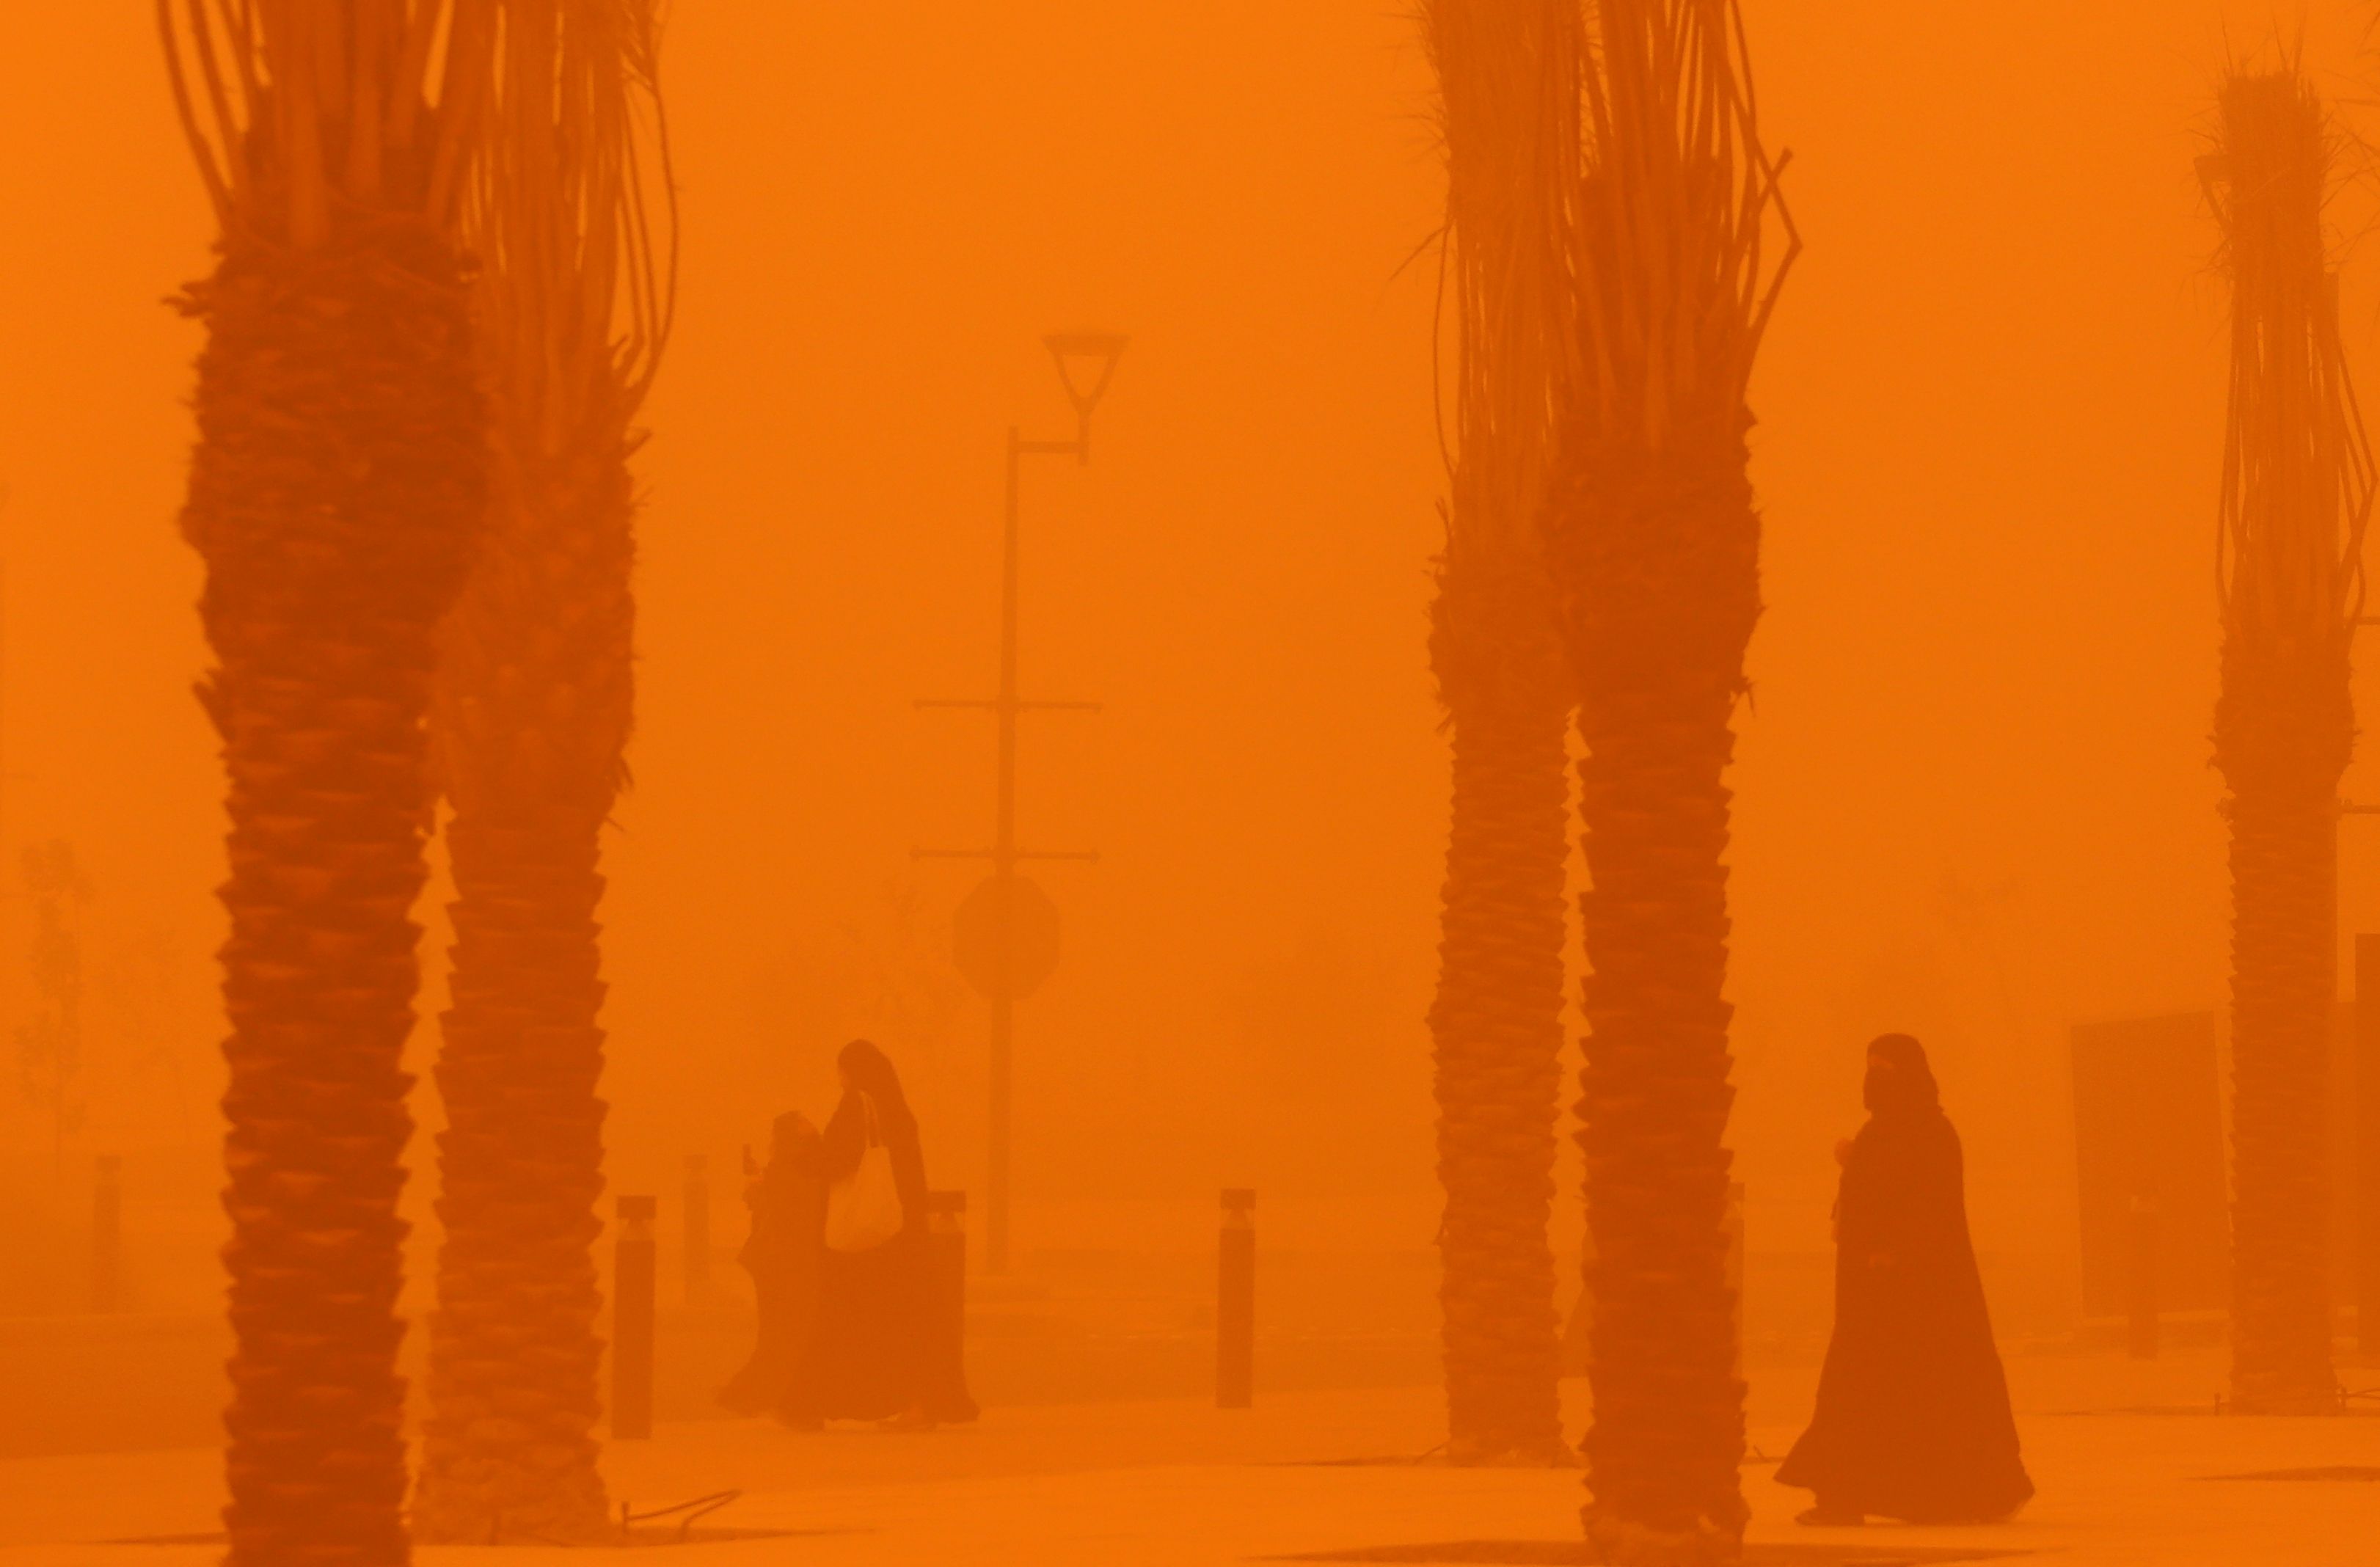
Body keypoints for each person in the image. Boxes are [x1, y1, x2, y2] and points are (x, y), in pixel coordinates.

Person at [1776, 1034, 2033, 1526]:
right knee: (1856, 1395)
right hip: (1869, 1302)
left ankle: (1944, 1497)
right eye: (1870, 1067)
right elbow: (1871, 1195)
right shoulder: (1875, 1135)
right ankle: (1842, 1498)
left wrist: (1895, 1250)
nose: (1875, 1079)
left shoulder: (1935, 1134)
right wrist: (1855, 1166)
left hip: (1926, 1301)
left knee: (1931, 1396)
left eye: (1887, 1070)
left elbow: (1933, 1207)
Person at [779, 1039, 977, 1430]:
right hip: (903, 1234)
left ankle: (806, 1406)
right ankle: (923, 1404)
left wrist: (805, 1142)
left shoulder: (859, 1105)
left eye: (841, 1071)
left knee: (844, 1323)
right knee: (909, 1323)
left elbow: (838, 1161)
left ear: (852, 1072)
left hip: (870, 1245)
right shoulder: (898, 1110)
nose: (839, 1080)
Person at [718, 1110, 827, 1418]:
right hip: (788, 1260)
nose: (812, 1123)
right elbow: (793, 1208)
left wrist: (759, 1182)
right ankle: (759, 1394)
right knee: (786, 1330)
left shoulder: (786, 1165)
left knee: (776, 1330)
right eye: (803, 1122)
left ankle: (753, 1393)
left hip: (772, 1259)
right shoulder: (803, 1165)